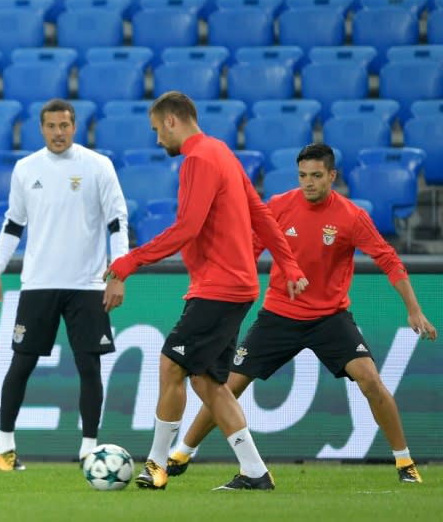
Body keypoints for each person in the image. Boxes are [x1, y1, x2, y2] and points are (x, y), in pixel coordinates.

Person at [167, 143, 437, 484]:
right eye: (302, 176)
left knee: (370, 380)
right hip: (278, 314)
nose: (308, 183)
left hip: (330, 319)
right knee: (229, 385)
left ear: (332, 176)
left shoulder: (351, 217)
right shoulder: (279, 206)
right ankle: (182, 452)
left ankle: (404, 463)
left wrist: (414, 310)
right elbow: (247, 250)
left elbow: (388, 260)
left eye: (316, 176)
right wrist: (209, 285)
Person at [103, 91, 308, 491]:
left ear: (172, 120)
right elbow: (262, 214)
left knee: (170, 365)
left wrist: (128, 263)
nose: (158, 140)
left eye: (157, 130)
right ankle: (255, 472)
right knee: (207, 382)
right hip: (237, 285)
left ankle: (157, 466)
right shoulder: (222, 153)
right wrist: (289, 264)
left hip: (219, 286)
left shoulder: (197, 158)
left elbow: (187, 228)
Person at [0, 98, 129, 471]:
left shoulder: (98, 166)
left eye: (64, 125)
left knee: (89, 367)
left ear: (74, 126)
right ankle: (4, 448)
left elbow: (117, 221)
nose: (58, 133)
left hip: (87, 284)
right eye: (51, 126)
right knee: (22, 363)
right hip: (39, 284)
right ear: (41, 128)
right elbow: (13, 223)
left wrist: (119, 272)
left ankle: (89, 449)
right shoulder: (26, 168)